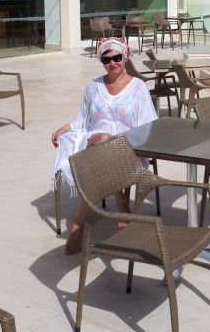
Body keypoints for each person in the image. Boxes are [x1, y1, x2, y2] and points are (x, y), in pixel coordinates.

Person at [51, 37, 157, 255]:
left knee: (107, 140)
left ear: (125, 57)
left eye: (117, 57)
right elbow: (82, 119)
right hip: (94, 144)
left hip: (127, 151)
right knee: (102, 138)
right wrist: (66, 127)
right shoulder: (93, 86)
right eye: (106, 59)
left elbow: (149, 126)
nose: (112, 63)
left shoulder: (138, 87)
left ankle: (83, 218)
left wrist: (121, 143)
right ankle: (120, 198)